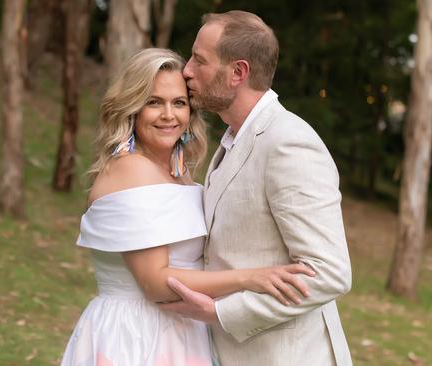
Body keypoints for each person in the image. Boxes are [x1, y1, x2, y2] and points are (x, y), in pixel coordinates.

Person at [60, 48, 316, 366]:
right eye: (154, 102)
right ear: (132, 108)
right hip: (138, 336)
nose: (169, 115)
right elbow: (156, 284)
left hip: (182, 331)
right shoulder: (131, 170)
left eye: (179, 103)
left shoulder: (178, 175)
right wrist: (250, 278)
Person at [158, 11, 353, 366]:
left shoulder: (288, 143)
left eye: (200, 60)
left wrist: (221, 313)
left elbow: (329, 272)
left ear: (238, 72)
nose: (186, 70)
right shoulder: (234, 137)